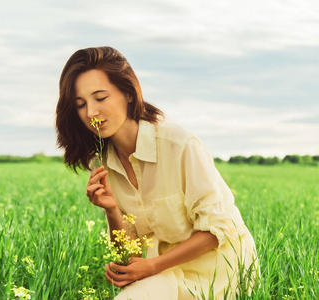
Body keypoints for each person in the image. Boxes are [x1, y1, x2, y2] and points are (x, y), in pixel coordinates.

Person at [55, 46, 258, 299]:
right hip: (162, 272)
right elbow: (131, 255)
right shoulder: (100, 162)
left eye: (100, 98)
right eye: (80, 104)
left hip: (219, 270)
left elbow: (218, 231)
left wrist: (152, 266)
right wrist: (112, 210)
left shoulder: (179, 144)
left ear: (129, 93)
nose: (91, 112)